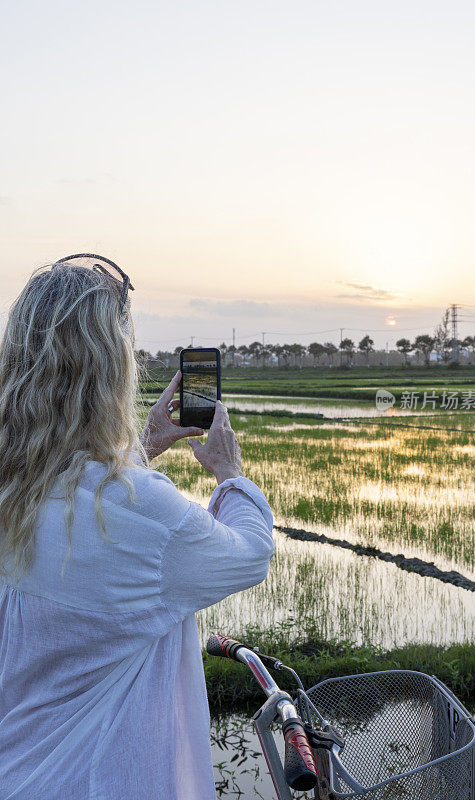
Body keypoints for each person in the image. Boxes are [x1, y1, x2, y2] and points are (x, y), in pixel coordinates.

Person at [0, 258, 275, 800]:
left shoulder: (15, 488)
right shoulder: (140, 511)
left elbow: (79, 496)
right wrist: (229, 473)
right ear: (112, 371)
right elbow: (249, 552)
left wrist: (142, 446)